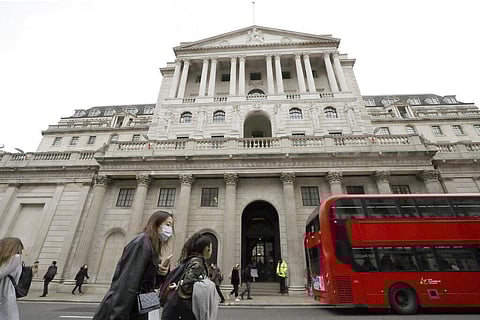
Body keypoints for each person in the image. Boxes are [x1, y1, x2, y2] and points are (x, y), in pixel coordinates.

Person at [93, 210, 174, 320]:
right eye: (167, 224)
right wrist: (118, 315)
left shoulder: (151, 245)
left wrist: (160, 274)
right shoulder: (142, 243)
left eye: (171, 226)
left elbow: (148, 283)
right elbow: (127, 283)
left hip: (141, 306)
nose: (170, 229)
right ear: (156, 224)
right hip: (132, 308)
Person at [162, 232, 218, 320]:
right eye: (211, 248)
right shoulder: (198, 264)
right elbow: (186, 286)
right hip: (187, 311)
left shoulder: (191, 260)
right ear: (207, 249)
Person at [0, 237, 24, 320]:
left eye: (1, 244)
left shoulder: (15, 257)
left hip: (5, 289)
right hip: (3, 289)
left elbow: (2, 272)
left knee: (7, 314)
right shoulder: (5, 259)